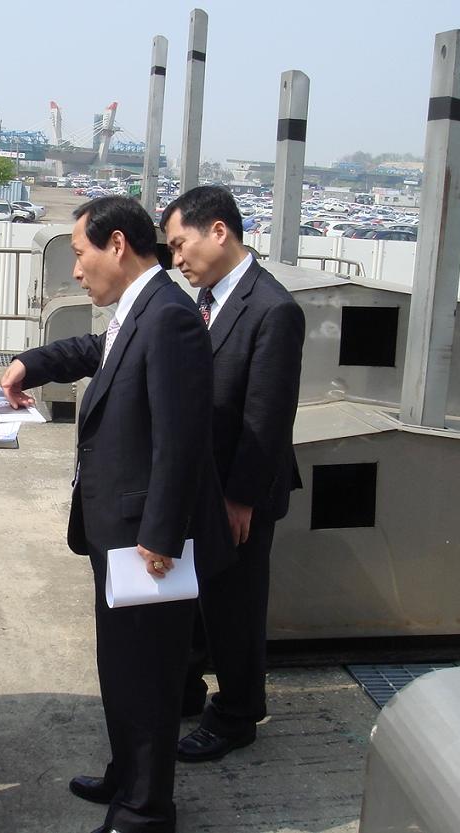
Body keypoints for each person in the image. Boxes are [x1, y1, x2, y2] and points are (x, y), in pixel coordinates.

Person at [0, 196, 231, 833]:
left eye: (80, 255)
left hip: (145, 539)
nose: (76, 272)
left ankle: (146, 809)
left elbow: (183, 442)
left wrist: (160, 538)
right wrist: (33, 363)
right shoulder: (142, 309)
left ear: (118, 246)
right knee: (121, 666)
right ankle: (126, 773)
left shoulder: (171, 318)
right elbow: (100, 349)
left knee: (150, 678)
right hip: (118, 531)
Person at [160, 186, 305, 763]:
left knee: (235, 606)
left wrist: (240, 498)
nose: (177, 259)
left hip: (240, 489)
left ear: (218, 231)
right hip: (204, 482)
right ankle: (189, 690)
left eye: (180, 244)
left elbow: (267, 417)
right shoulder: (208, 300)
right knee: (198, 599)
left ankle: (240, 712)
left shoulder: (272, 308)